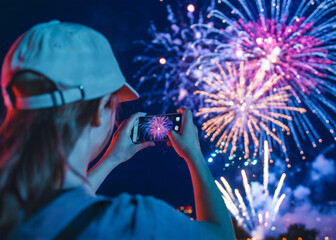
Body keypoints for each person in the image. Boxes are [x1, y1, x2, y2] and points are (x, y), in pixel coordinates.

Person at [0, 20, 234, 239]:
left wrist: (113, 158)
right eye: (114, 105)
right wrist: (194, 154)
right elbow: (222, 235)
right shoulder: (131, 223)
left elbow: (59, 205)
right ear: (98, 110)